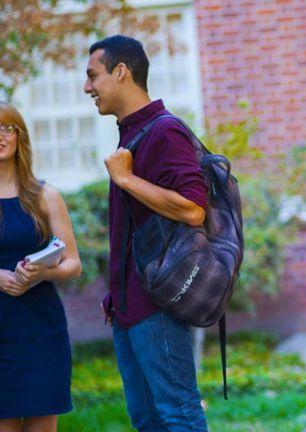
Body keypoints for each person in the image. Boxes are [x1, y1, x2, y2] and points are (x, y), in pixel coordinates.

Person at [83, 35, 209, 430]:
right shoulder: (132, 133)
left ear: (121, 72)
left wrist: (126, 179)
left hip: (157, 305)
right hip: (128, 306)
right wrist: (116, 290)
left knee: (178, 414)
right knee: (147, 419)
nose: (87, 87)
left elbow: (193, 209)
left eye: (92, 76)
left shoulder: (163, 131)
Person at [0, 102, 82, 432]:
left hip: (40, 330)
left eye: (7, 129)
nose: (0, 136)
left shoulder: (46, 196)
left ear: (20, 137)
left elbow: (73, 262)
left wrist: (43, 273)